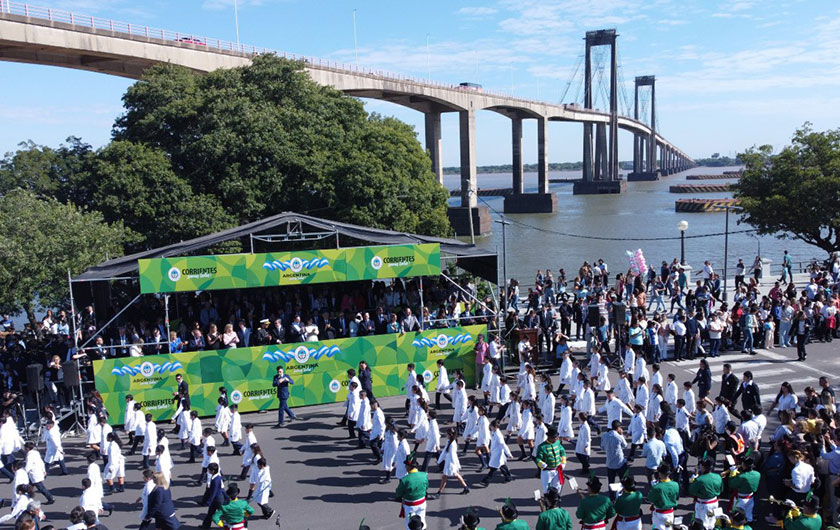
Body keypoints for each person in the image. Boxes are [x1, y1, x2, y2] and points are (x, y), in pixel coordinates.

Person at [688, 459, 723, 530]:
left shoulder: (700, 479)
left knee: (702, 525)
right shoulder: (718, 477)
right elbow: (721, 489)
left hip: (703, 505)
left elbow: (691, 491)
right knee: (713, 523)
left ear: (703, 467)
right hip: (714, 502)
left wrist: (692, 482)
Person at [395, 455, 428, 530]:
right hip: (422, 503)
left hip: (410, 506)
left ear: (408, 466)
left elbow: (398, 493)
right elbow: (426, 487)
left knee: (410, 525)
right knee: (422, 521)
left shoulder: (405, 479)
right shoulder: (424, 475)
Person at [434, 428, 469, 496]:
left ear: (450, 435)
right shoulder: (449, 441)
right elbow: (445, 452)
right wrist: (439, 461)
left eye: (447, 434)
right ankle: (465, 487)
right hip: (449, 462)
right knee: (453, 475)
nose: (446, 435)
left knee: (445, 477)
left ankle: (439, 492)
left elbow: (452, 455)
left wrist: (455, 465)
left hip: (450, 463)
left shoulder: (452, 444)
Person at [480, 420, 513, 485]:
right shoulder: (493, 432)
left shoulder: (498, 435)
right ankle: (508, 477)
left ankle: (486, 481)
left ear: (495, 427)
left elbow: (503, 445)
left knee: (493, 468)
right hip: (495, 452)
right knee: (502, 466)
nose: (490, 427)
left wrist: (509, 454)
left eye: (491, 426)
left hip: (498, 454)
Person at [534, 426, 566, 494]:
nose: (557, 438)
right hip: (547, 472)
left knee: (557, 487)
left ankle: (555, 500)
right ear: (550, 437)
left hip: (557, 470)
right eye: (555, 437)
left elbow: (563, 452)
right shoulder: (542, 447)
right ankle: (547, 501)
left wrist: (563, 462)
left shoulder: (557, 443)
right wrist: (542, 464)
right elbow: (538, 459)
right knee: (546, 489)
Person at [648, 463, 679, 529]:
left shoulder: (657, 487)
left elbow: (650, 499)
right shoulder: (675, 484)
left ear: (660, 473)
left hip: (659, 514)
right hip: (670, 513)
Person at [200, 462, 225, 529]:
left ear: (213, 471)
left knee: (222, 515)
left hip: (217, 500)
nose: (208, 471)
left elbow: (214, 492)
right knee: (210, 513)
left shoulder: (215, 480)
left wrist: (209, 501)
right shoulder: (217, 477)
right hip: (217, 499)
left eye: (209, 470)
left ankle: (225, 526)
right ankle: (205, 526)